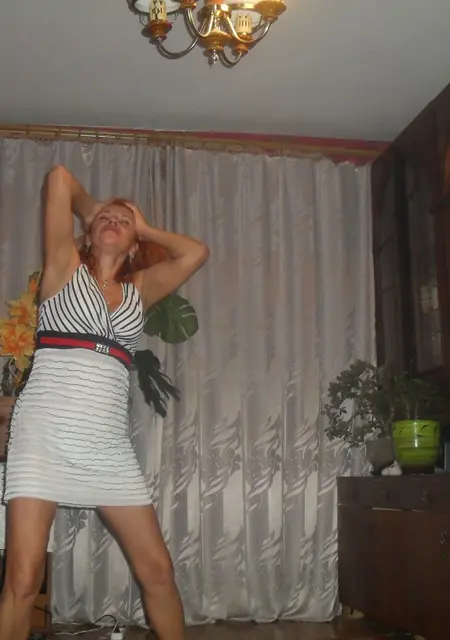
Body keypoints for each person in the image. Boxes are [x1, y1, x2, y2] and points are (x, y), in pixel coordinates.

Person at [0, 165, 209, 640]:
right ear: (88, 233)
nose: (113, 222)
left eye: (123, 222)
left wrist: (145, 227)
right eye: (104, 220)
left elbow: (196, 252)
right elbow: (58, 177)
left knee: (157, 571)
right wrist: (96, 209)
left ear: (134, 244)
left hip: (107, 447)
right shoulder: (63, 267)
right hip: (43, 438)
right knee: (23, 578)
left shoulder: (141, 290)